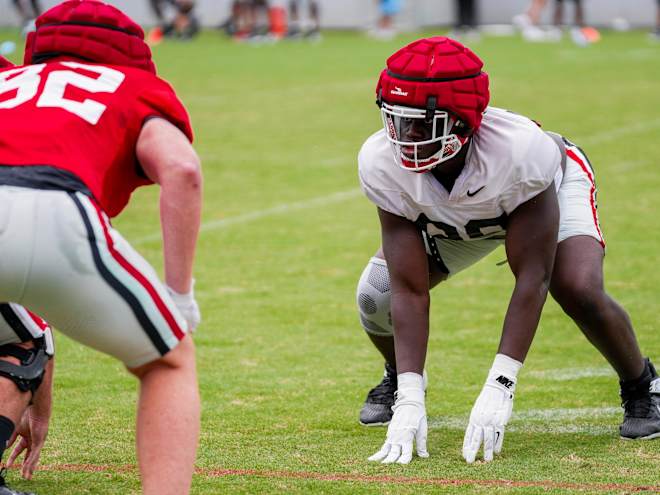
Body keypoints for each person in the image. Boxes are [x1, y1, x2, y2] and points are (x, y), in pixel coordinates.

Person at [357, 36, 660, 464]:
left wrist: (501, 383)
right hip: (455, 212)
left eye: (421, 124)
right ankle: (401, 379)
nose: (404, 138)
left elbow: (532, 278)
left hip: (537, 194)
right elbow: (409, 288)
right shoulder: (380, 161)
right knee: (377, 293)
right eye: (396, 120)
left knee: (576, 286)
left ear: (462, 121)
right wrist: (410, 396)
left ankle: (641, 385)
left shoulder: (521, 153)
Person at [0, 2, 203, 494]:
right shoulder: (133, 86)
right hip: (53, 209)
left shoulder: (8, 81)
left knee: (19, 341)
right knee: (169, 360)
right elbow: (182, 169)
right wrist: (179, 298)